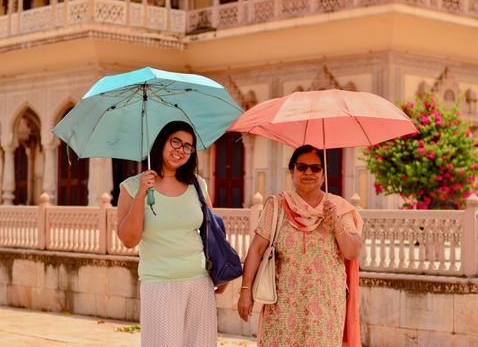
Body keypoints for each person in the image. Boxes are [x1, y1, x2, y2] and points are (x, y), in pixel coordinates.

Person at [237, 144, 363, 347]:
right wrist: (245, 290)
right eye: (302, 167)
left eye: (315, 168)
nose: (308, 172)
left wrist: (336, 224)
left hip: (325, 307)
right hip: (283, 304)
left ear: (323, 175)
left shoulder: (338, 208)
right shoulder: (277, 205)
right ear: (292, 172)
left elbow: (353, 251)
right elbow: (257, 249)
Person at [117, 121, 224, 347]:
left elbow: (212, 231)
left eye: (188, 146)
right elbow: (129, 240)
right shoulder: (132, 186)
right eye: (175, 141)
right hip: (159, 283)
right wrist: (141, 195)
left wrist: (221, 272)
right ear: (162, 143)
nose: (180, 150)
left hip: (199, 281)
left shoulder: (198, 185)